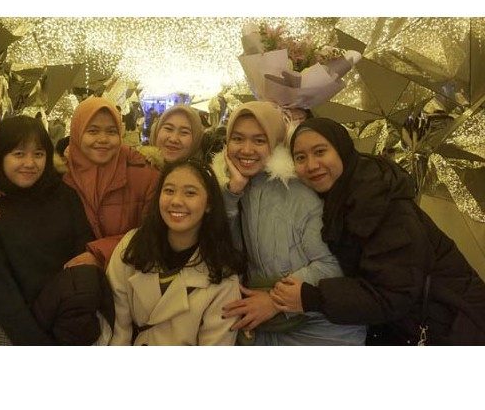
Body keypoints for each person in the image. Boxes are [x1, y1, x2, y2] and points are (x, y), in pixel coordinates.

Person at [273, 117, 485, 345]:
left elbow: (393, 293)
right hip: (414, 323)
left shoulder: (378, 200)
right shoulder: (341, 196)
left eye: (320, 152)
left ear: (341, 150)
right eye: (300, 157)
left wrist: (311, 298)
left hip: (453, 324)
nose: (312, 165)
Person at [217, 101, 366, 345]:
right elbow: (229, 253)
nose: (246, 149)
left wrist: (273, 299)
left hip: (321, 328)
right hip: (267, 324)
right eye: (237, 138)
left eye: (259, 140)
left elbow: (332, 265)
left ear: (275, 143)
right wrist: (232, 193)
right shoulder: (235, 187)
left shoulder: (297, 190)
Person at [0, 116, 111, 345]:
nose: (30, 163)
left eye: (38, 154)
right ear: (0, 156)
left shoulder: (64, 196)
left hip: (70, 321)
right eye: (19, 154)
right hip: (16, 331)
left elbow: (82, 256)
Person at [106, 159, 244, 345]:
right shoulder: (132, 246)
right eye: (169, 191)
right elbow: (116, 329)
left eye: (190, 193)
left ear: (209, 204)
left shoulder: (223, 274)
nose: (176, 201)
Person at [61, 96, 160, 269]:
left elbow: (153, 233)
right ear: (77, 132)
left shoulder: (146, 176)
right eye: (93, 131)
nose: (103, 139)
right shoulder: (62, 177)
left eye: (111, 132)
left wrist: (99, 254)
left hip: (129, 273)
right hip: (73, 277)